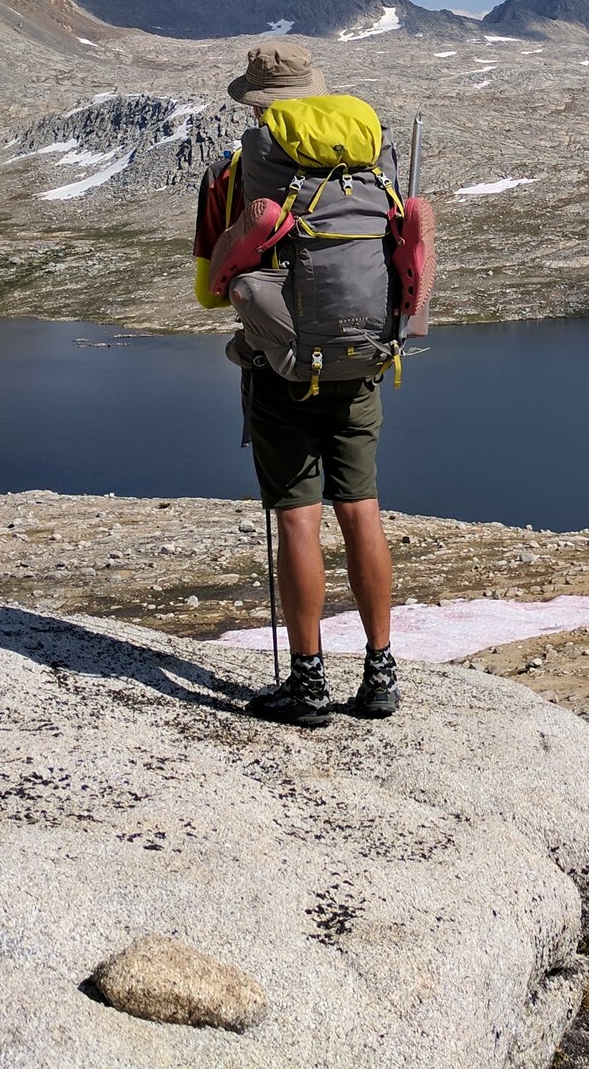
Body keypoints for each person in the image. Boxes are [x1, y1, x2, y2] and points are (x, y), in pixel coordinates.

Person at [194, 40, 405, 729]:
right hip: (362, 361)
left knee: (297, 517)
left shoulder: (239, 170)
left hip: (279, 368)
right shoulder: (367, 159)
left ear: (255, 102)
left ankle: (307, 684)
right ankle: (380, 675)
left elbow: (208, 292)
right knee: (362, 509)